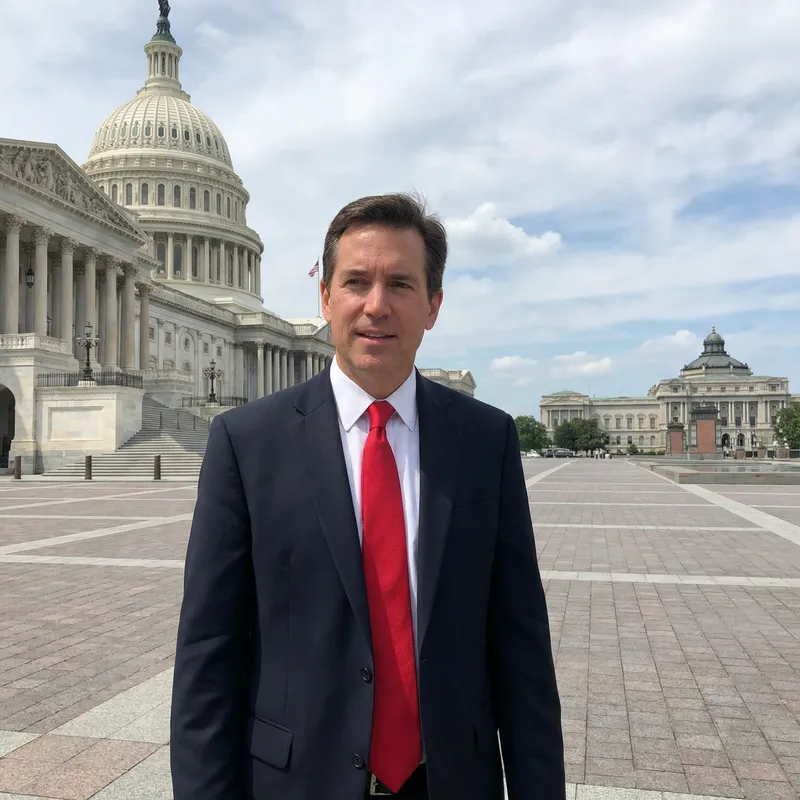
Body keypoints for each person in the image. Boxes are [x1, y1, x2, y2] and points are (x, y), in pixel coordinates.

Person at [170, 192, 565, 799]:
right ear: (326, 297)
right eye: (356, 281)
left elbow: (521, 648)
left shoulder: (486, 439)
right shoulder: (247, 443)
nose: (376, 305)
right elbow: (210, 651)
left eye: (401, 284)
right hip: (297, 782)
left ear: (433, 306)